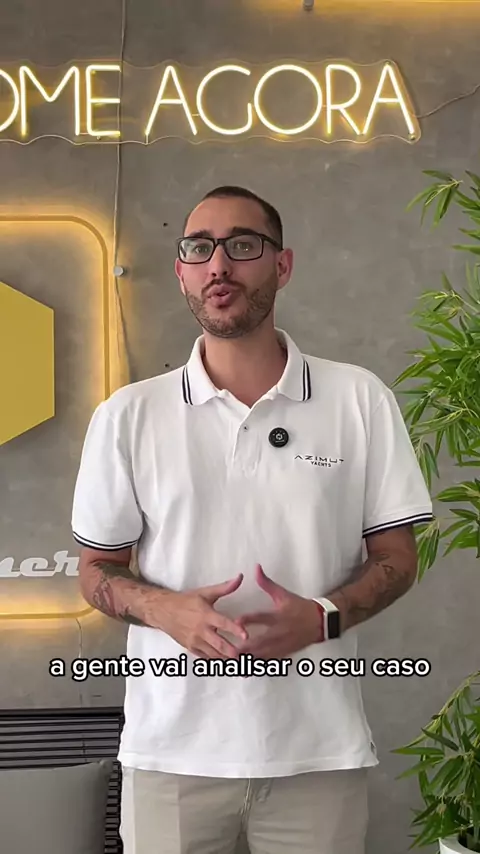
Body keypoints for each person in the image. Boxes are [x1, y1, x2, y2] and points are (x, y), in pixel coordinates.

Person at [71, 185, 434, 854]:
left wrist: (322, 618)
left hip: (317, 753)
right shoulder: (128, 416)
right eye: (199, 249)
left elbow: (398, 558)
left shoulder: (358, 399)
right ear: (181, 271)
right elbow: (97, 570)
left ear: (282, 265)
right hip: (170, 754)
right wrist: (165, 610)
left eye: (242, 246)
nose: (219, 265)